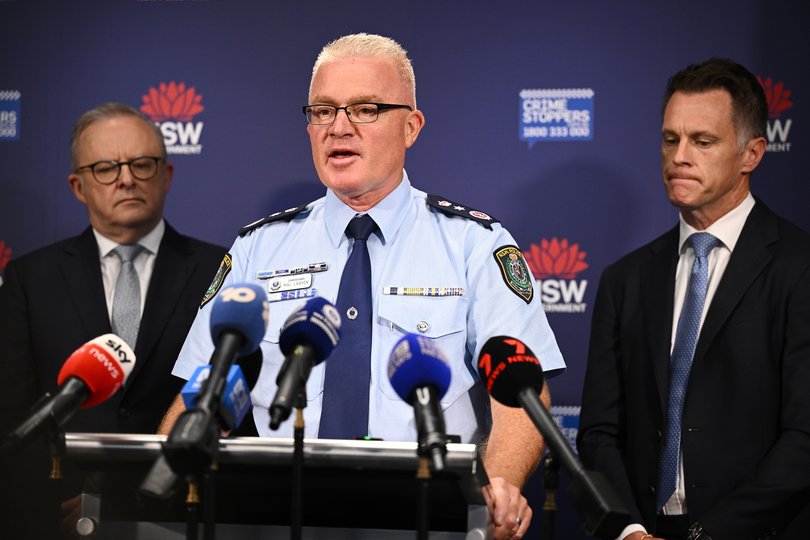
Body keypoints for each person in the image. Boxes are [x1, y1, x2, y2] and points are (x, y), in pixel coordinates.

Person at [159, 33, 566, 539]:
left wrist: (501, 485)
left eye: (366, 109)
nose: (339, 127)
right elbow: (206, 390)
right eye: (323, 110)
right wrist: (160, 477)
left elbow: (520, 396)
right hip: (280, 517)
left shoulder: (474, 246)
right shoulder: (257, 250)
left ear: (411, 126)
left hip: (428, 516)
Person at [576, 58, 810, 540]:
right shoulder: (626, 279)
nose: (679, 156)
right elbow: (600, 433)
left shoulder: (800, 267)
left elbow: (804, 439)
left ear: (752, 154)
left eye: (702, 141)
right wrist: (632, 530)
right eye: (670, 139)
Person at [0, 102, 227, 538]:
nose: (126, 178)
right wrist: (51, 499)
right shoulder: (30, 278)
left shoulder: (219, 270)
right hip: (59, 515)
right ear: (78, 186)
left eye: (142, 164)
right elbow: (12, 413)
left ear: (167, 175)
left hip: (185, 512)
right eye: (105, 168)